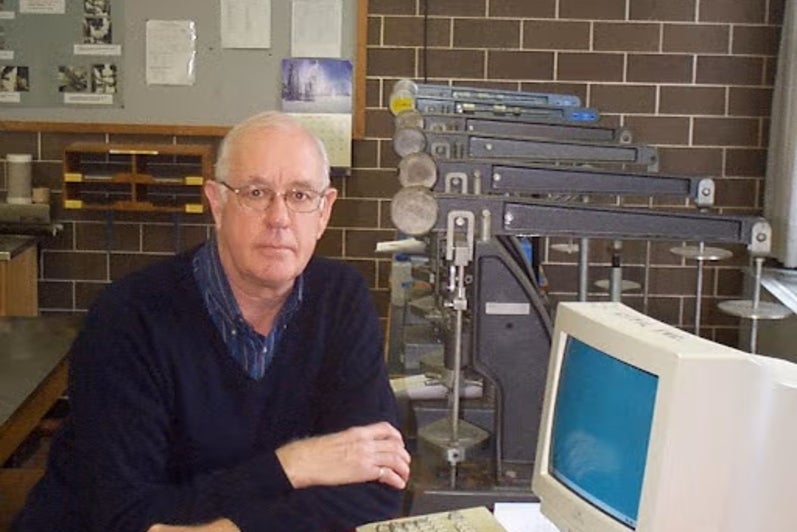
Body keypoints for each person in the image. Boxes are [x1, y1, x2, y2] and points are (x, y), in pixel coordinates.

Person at [13, 111, 411, 531]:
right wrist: (292, 467)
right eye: (256, 193)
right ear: (217, 203)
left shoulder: (340, 298)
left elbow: (377, 485)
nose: (279, 218)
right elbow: (126, 517)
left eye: (299, 195)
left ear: (324, 211)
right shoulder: (129, 318)